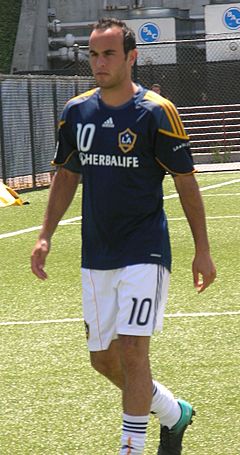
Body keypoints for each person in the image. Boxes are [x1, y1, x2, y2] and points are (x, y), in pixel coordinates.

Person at [31, 17, 216, 455]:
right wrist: (45, 234)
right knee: (104, 360)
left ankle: (129, 449)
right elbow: (66, 175)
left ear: (131, 57)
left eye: (109, 53)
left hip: (145, 249)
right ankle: (173, 411)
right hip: (97, 252)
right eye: (93, 54)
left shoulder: (157, 111)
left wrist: (202, 250)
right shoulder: (76, 112)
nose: (99, 62)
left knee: (134, 353)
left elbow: (186, 183)